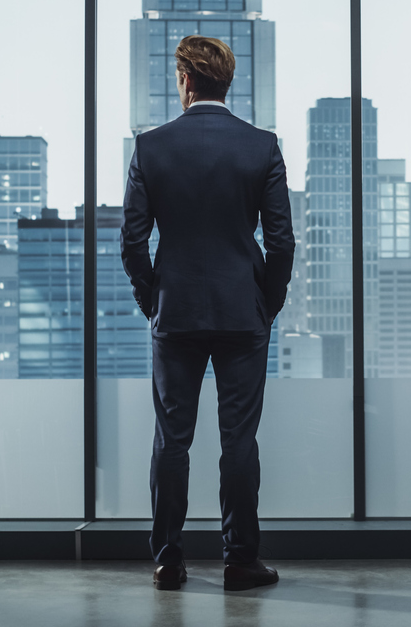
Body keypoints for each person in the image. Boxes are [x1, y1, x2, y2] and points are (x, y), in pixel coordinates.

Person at [121, 35, 294, 592]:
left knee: (171, 440)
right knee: (238, 441)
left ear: (186, 80)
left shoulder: (151, 147)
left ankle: (168, 562)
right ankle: (240, 560)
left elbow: (132, 242)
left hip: (176, 313)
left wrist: (153, 298)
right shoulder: (261, 146)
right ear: (227, 80)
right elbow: (282, 242)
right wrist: (267, 302)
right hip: (243, 311)